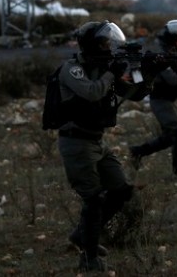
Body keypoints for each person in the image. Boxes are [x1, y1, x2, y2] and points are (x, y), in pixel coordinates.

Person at [57, 20, 135, 271]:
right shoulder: (72, 69)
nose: (108, 47)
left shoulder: (104, 67)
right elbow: (91, 92)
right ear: (92, 44)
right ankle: (89, 258)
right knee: (93, 199)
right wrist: (113, 72)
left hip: (96, 140)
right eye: (103, 42)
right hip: (76, 142)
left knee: (121, 190)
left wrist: (144, 72)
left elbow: (135, 93)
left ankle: (83, 235)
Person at [129, 20, 177, 176]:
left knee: (170, 137)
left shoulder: (169, 57)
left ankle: (137, 152)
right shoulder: (162, 59)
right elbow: (172, 79)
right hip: (160, 101)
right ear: (173, 41)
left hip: (165, 101)